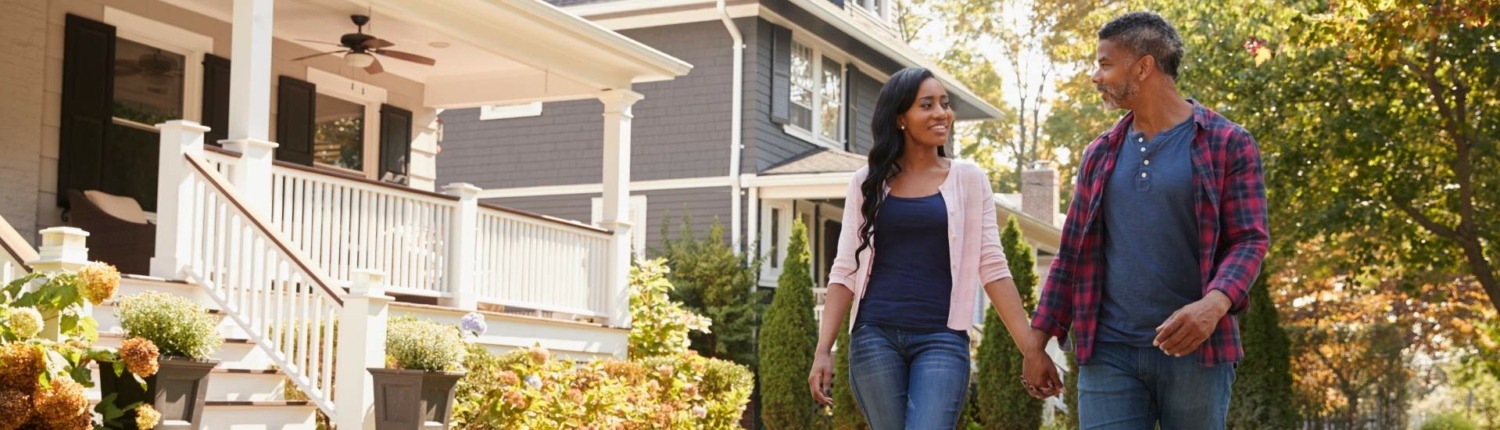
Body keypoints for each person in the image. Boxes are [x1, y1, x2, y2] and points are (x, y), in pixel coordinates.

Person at [1025, 11, 1270, 429]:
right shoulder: (1099, 154)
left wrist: (1214, 305)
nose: (1095, 76)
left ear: (1143, 67)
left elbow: (1249, 240)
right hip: (1108, 352)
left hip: (1198, 351)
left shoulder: (1228, 143)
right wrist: (1036, 344)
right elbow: (1070, 255)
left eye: (1105, 63)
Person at [808, 67, 1063, 430]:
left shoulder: (969, 179)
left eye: (944, 103)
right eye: (926, 105)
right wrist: (823, 350)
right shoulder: (866, 182)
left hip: (941, 338)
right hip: (873, 335)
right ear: (900, 118)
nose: (941, 113)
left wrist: (1031, 350)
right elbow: (845, 267)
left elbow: (992, 266)